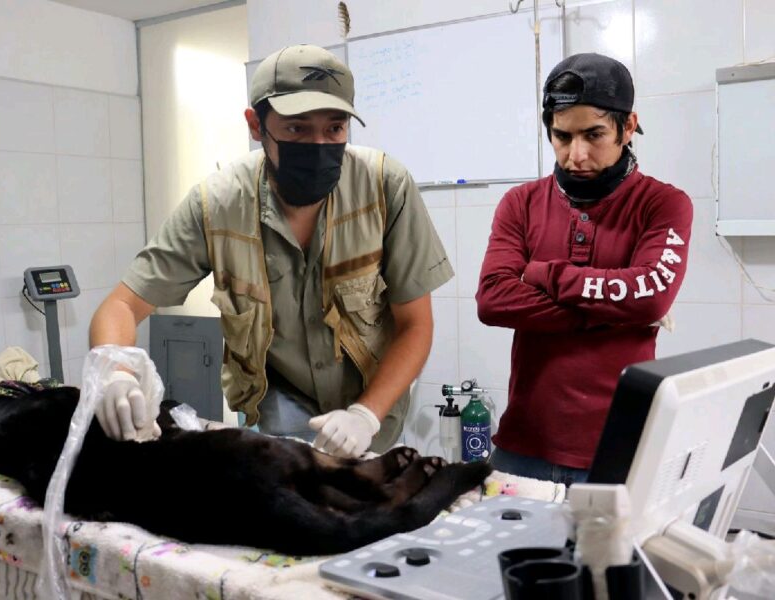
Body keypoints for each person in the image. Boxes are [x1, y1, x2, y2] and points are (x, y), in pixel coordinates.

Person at [89, 44, 453, 457]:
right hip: (278, 405)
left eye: (334, 129)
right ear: (256, 125)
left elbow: (415, 326)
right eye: (297, 128)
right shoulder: (218, 205)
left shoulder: (385, 188)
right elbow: (121, 305)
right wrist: (115, 372)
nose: (318, 146)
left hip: (373, 406)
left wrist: (365, 415)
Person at [476, 53, 693, 485]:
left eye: (594, 135)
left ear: (627, 127)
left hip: (620, 449)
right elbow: (493, 300)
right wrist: (617, 308)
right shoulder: (520, 203)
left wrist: (544, 275)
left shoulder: (664, 204)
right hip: (523, 444)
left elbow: (650, 296)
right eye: (562, 136)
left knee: (612, 557)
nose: (577, 154)